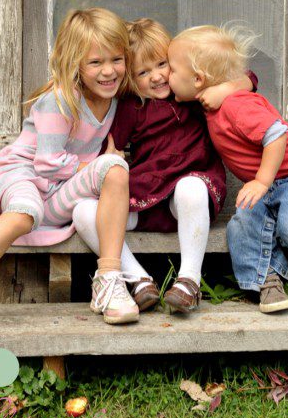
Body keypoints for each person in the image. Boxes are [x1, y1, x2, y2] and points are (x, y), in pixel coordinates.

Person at [0, 8, 141, 337]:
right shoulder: (61, 100)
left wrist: (107, 161)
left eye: (117, 59)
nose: (108, 71)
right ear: (75, 63)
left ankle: (110, 280)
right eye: (95, 62)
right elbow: (47, 163)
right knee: (25, 212)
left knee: (115, 169)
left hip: (57, 192)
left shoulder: (116, 101)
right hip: (24, 175)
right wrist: (94, 164)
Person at [167, 24, 288, 315]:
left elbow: (276, 135)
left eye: (171, 70)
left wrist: (261, 181)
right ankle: (268, 280)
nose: (166, 76)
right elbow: (246, 79)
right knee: (242, 225)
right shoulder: (209, 102)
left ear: (198, 79)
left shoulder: (236, 105)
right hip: (266, 184)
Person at [72, 18, 257, 314]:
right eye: (143, 72)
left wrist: (223, 91)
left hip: (189, 198)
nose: (157, 77)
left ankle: (189, 281)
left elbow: (248, 78)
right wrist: (107, 159)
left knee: (189, 188)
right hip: (147, 197)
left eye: (162, 65)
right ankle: (138, 279)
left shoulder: (192, 92)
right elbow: (110, 147)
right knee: (83, 211)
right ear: (130, 78)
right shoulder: (131, 107)